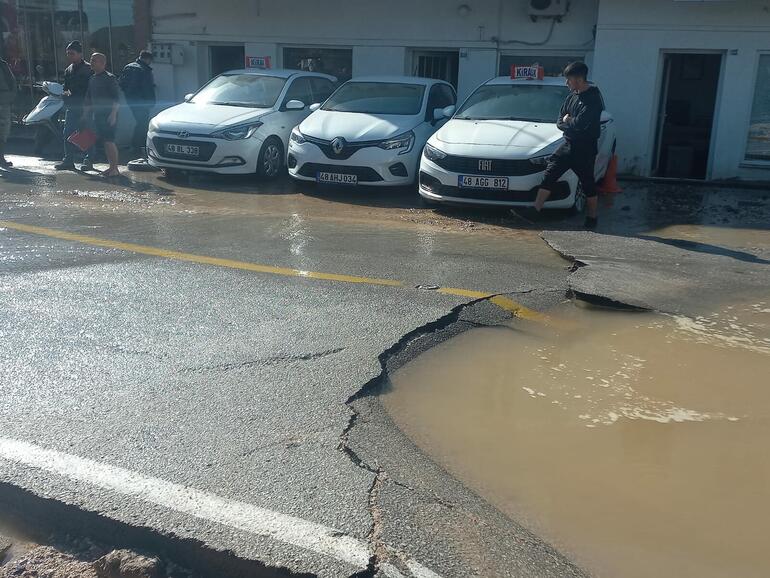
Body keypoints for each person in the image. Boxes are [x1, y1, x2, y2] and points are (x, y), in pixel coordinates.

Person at [534, 61, 605, 230]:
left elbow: (583, 123)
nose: (567, 83)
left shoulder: (593, 98)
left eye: (569, 80)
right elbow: (560, 122)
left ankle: (592, 218)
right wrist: (569, 122)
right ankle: (535, 211)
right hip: (568, 144)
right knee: (549, 174)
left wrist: (570, 120)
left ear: (579, 79)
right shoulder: (571, 97)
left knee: (588, 183)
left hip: (585, 148)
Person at [56, 40, 93, 171]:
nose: (69, 56)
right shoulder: (68, 70)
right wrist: (64, 95)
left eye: (72, 53)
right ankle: (68, 159)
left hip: (86, 106)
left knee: (86, 132)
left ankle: (88, 159)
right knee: (67, 132)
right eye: (68, 53)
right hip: (72, 106)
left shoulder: (89, 69)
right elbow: (66, 88)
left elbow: (91, 89)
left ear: (80, 54)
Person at [84, 53, 121, 177]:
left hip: (108, 115)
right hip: (98, 115)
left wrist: (113, 114)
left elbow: (116, 98)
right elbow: (88, 99)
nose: (91, 62)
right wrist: (85, 115)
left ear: (102, 63)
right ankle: (111, 167)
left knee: (110, 140)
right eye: (91, 60)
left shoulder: (109, 78)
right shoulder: (92, 79)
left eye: (94, 60)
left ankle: (115, 168)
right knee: (105, 141)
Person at [118, 50, 155, 156]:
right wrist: (151, 102)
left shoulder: (128, 67)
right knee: (142, 123)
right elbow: (147, 88)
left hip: (131, 100)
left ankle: (137, 146)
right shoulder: (144, 70)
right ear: (147, 59)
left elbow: (121, 83)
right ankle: (137, 147)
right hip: (142, 102)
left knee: (140, 122)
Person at [0, 56, 16, 168]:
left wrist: (9, 98)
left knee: (3, 130)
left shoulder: (2, 64)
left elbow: (11, 83)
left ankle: (1, 157)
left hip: (3, 101)